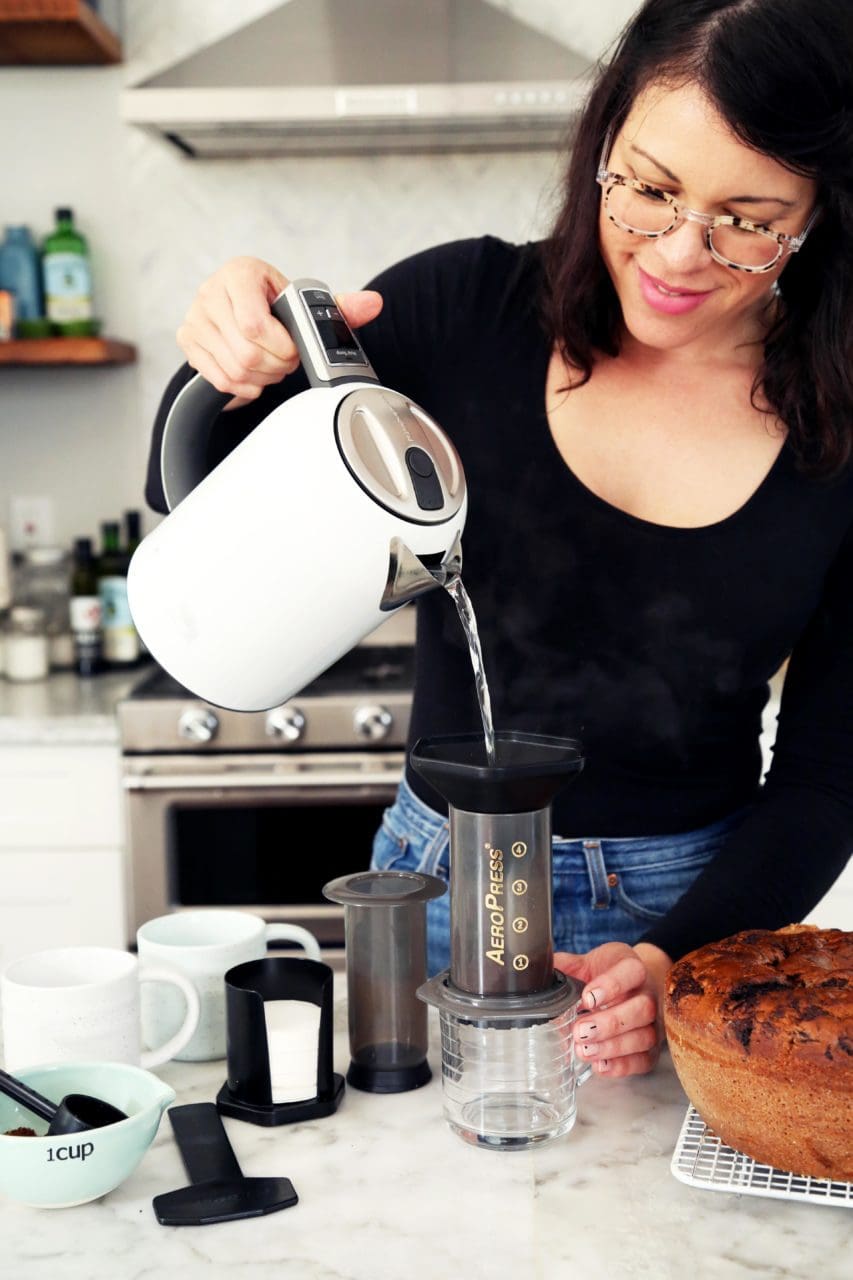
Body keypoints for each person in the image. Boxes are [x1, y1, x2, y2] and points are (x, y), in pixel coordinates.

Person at [145, 0, 853, 1081]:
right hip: (434, 885)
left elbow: (824, 780)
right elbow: (181, 492)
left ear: (817, 215)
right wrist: (230, 364)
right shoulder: (465, 307)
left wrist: (670, 958)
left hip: (698, 914)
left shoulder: (841, 429)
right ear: (603, 140)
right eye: (650, 187)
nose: (676, 250)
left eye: (747, 219)